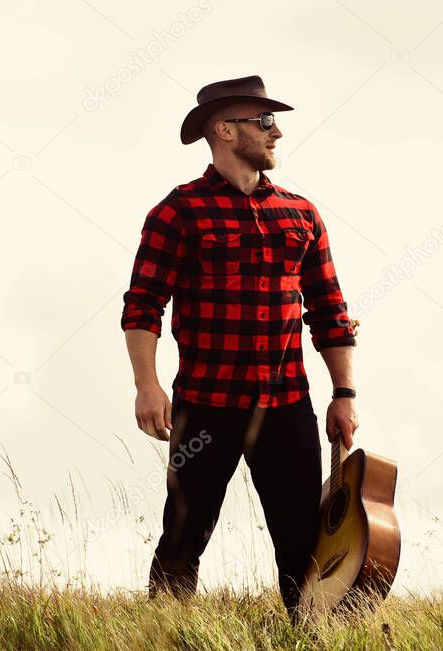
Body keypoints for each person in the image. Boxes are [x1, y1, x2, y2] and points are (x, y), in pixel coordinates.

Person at [120, 74, 361, 621]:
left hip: (287, 407)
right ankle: (160, 635)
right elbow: (143, 305)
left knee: (302, 545)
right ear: (225, 130)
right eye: (265, 121)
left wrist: (343, 393)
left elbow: (329, 310)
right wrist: (147, 385)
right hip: (205, 407)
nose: (277, 132)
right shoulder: (178, 212)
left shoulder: (302, 214)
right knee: (183, 536)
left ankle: (310, 638)